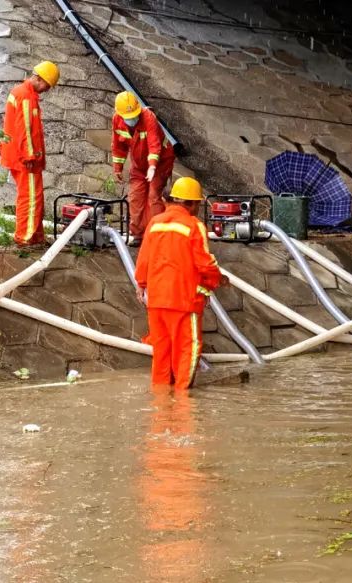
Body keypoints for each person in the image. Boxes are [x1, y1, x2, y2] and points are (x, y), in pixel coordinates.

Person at [134, 177, 224, 390]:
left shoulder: (155, 223)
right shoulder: (194, 226)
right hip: (184, 301)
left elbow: (143, 258)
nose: (198, 208)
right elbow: (205, 263)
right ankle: (184, 405)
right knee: (187, 350)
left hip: (156, 300)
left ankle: (162, 402)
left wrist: (141, 284)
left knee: (161, 351)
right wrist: (216, 281)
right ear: (191, 203)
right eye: (198, 204)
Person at [0, 60, 58, 246]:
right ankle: (25, 238)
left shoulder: (20, 92)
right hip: (24, 159)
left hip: (15, 154)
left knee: (33, 195)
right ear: (40, 79)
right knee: (30, 198)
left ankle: (36, 235)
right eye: (47, 86)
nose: (46, 90)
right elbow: (25, 129)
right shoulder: (26, 97)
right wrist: (30, 156)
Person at [110, 91, 175, 247]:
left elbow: (154, 145)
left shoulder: (148, 118)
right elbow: (118, 145)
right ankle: (138, 234)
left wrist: (152, 167)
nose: (132, 119)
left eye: (134, 115)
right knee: (135, 198)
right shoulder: (117, 120)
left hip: (160, 164)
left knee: (153, 197)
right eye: (129, 116)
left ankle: (157, 235)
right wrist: (118, 167)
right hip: (139, 166)